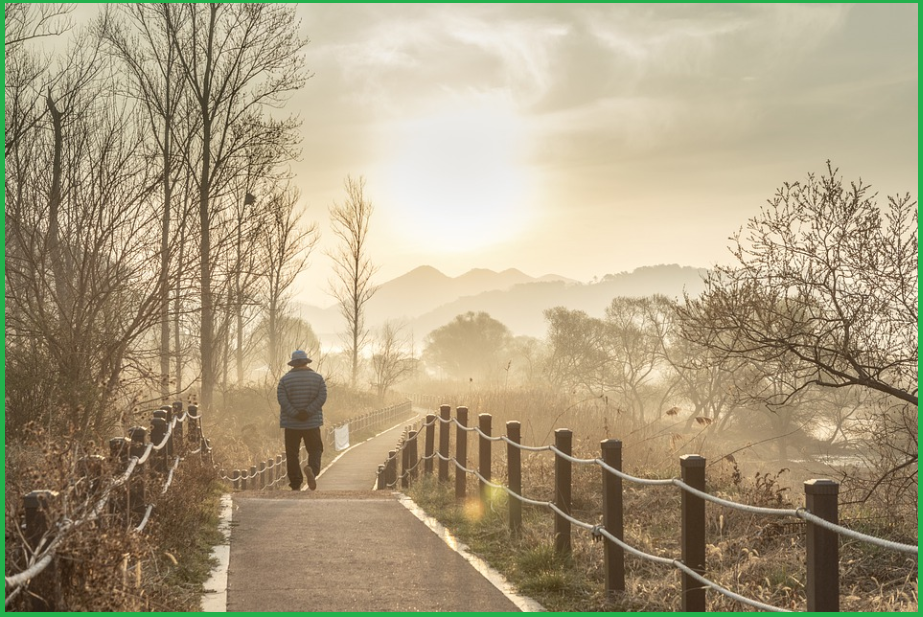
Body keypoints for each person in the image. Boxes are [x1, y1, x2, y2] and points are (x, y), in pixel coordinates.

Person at [277, 350, 327, 491]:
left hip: (291, 424)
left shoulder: (284, 380)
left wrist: (295, 414)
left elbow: (282, 400)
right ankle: (312, 470)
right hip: (312, 422)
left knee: (292, 454)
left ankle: (295, 483)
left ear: (293, 364)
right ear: (306, 362)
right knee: (315, 449)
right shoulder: (318, 378)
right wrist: (308, 412)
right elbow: (322, 397)